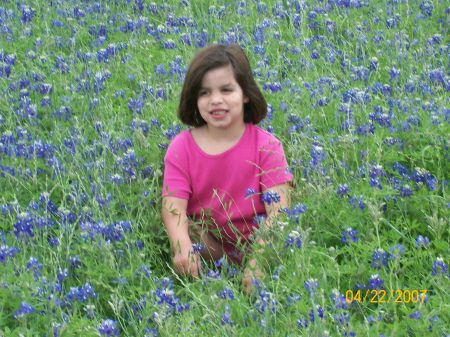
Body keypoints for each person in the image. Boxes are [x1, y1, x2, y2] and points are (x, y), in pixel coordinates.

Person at [161, 44, 293, 293]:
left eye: (226, 89)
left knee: (284, 231)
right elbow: (173, 207)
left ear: (245, 93)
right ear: (194, 99)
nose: (216, 100)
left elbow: (279, 211)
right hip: (209, 245)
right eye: (204, 93)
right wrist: (181, 245)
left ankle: (256, 277)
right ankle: (207, 279)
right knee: (185, 228)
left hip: (260, 241)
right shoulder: (181, 147)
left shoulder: (267, 145)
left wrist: (259, 259)